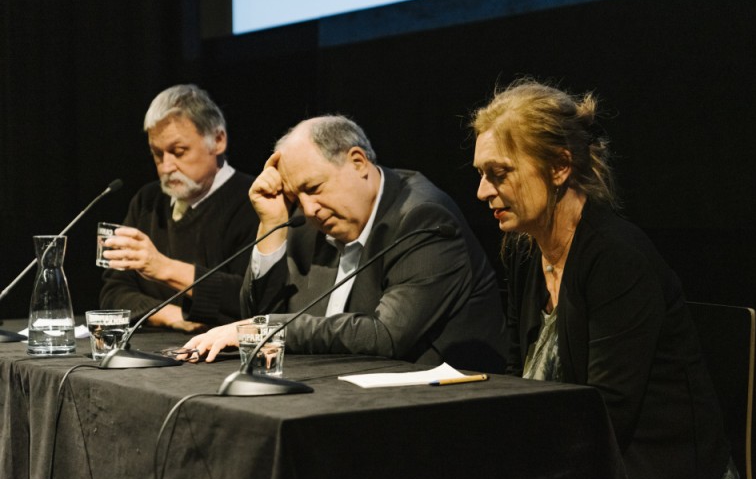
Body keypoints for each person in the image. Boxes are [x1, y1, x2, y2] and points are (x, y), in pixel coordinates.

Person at [471, 79, 732, 479]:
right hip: (567, 455)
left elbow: (608, 413)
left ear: (559, 166)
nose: (482, 191)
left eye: (498, 174)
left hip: (647, 475)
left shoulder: (617, 257)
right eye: (481, 175)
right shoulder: (522, 250)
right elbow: (518, 373)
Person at [183, 115, 506, 372]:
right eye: (298, 195)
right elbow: (255, 320)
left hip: (440, 408)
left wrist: (266, 328)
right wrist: (272, 224)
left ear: (358, 162)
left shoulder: (423, 219)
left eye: (314, 187)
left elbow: (386, 335)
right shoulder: (309, 221)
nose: (309, 208)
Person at [98, 84, 258, 331]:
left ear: (218, 140)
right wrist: (173, 316)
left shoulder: (255, 201)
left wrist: (162, 267)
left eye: (178, 151)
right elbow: (113, 294)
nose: (166, 167)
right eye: (157, 154)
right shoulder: (147, 201)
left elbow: (251, 299)